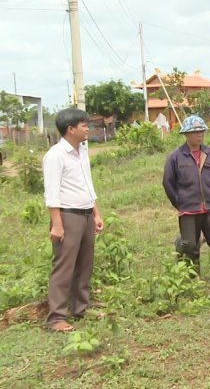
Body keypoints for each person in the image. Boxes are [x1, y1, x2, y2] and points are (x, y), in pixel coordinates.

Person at [42, 108, 104, 332]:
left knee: (85, 264)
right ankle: (56, 317)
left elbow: (87, 184)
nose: (87, 128)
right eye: (83, 125)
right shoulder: (55, 156)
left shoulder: (82, 151)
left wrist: (96, 212)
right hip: (67, 216)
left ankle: (80, 309)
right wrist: (57, 224)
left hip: (85, 214)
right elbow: (52, 194)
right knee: (64, 266)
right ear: (71, 129)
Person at [162, 115, 210, 281]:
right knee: (189, 246)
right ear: (186, 134)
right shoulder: (175, 157)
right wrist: (180, 202)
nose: (200, 135)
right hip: (188, 209)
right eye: (195, 132)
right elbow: (168, 183)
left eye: (201, 131)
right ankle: (193, 279)